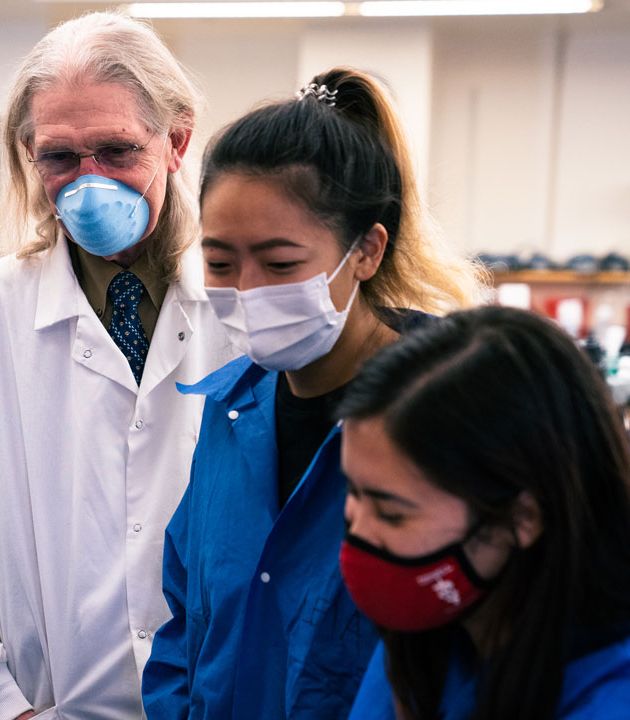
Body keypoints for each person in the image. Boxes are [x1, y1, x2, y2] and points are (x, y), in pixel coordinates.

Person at [0, 11, 234, 719]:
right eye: (59, 158)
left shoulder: (242, 311)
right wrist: (0, 707)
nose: (89, 182)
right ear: (27, 155)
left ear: (176, 141)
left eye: (116, 151)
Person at [142, 68, 486, 719]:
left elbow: (492, 648)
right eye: (219, 262)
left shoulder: (450, 411)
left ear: (366, 251)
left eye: (279, 264)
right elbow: (187, 624)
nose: (245, 290)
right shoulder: (229, 411)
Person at [339, 306, 630, 720]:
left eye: (392, 514)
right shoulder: (432, 627)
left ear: (523, 516)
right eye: (353, 494)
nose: (357, 532)